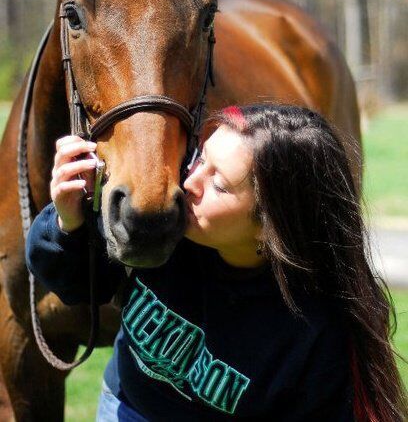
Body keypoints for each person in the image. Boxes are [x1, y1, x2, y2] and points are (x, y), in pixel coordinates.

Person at [25, 104, 407, 421]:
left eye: (219, 184)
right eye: (200, 160)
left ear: (270, 226)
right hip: (125, 406)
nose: (188, 182)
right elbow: (78, 286)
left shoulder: (315, 330)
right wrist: (68, 223)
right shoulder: (172, 218)